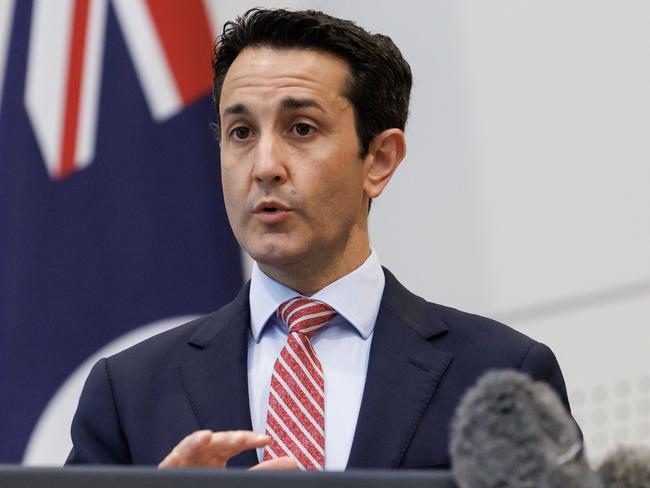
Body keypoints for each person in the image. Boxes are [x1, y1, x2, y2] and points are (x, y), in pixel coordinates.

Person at [66, 8, 572, 470]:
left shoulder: (502, 375)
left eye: (302, 128)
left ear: (379, 160)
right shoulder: (128, 393)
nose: (264, 167)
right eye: (240, 132)